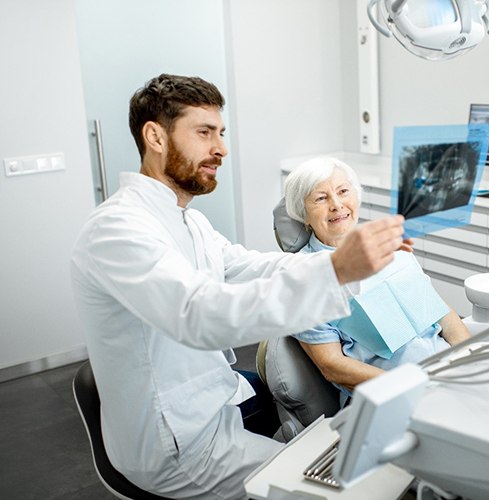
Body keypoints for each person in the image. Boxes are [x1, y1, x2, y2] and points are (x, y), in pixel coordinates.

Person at [70, 73, 406, 499]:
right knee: (342, 489)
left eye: (222, 133)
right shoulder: (117, 230)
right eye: (204, 133)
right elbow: (202, 317)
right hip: (179, 446)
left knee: (342, 451)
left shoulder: (188, 219)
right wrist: (336, 270)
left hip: (214, 404)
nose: (221, 149)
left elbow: (248, 267)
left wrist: (335, 260)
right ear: (155, 136)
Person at [284, 156, 471, 407]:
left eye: (343, 191)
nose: (337, 205)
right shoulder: (304, 277)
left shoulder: (387, 243)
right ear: (303, 213)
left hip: (444, 373)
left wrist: (470, 359)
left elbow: (441, 313)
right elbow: (332, 366)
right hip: (391, 396)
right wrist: (414, 387)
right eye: (321, 198)